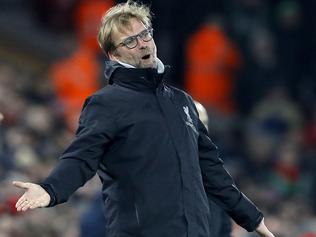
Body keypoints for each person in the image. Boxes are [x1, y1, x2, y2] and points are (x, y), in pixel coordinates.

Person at [13, 1, 275, 237]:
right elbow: (82, 157)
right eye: (130, 41)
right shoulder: (106, 103)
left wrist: (253, 219)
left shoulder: (181, 102)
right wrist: (50, 190)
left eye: (145, 34)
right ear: (114, 55)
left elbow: (213, 171)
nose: (143, 43)